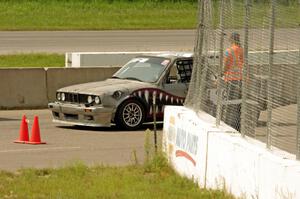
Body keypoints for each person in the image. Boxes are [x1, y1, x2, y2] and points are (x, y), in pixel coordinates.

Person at [222, 32, 244, 131]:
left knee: (230, 103)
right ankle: (238, 125)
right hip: (240, 79)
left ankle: (230, 125)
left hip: (231, 80)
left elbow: (225, 66)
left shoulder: (228, 51)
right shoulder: (242, 50)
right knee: (239, 103)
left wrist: (221, 74)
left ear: (231, 39)